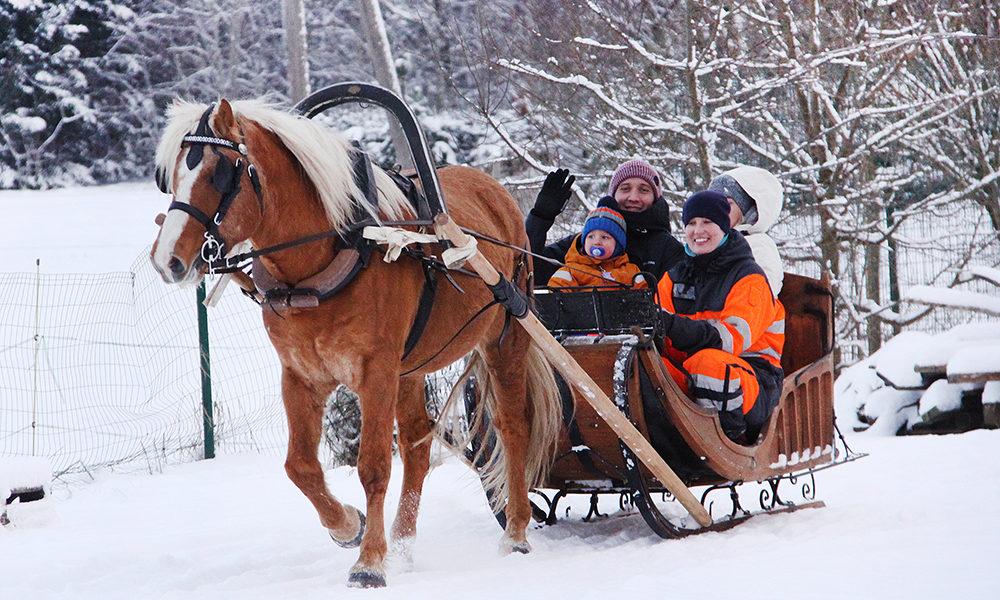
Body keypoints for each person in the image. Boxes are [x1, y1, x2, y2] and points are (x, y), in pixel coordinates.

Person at [656, 190, 785, 444]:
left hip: (752, 381)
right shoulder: (673, 278)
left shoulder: (749, 278)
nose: (698, 230)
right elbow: (662, 340)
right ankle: (664, 440)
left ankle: (729, 441)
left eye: (707, 222)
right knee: (639, 364)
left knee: (709, 365)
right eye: (691, 223)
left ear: (725, 227)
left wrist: (669, 324)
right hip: (690, 372)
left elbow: (728, 341)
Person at [526, 160, 684, 286]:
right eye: (625, 188)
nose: (633, 197)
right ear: (613, 195)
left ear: (655, 198)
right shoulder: (582, 245)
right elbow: (529, 271)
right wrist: (540, 218)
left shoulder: (667, 249)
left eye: (643, 190)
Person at [708, 165, 784, 294]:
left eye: (727, 203)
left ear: (747, 211)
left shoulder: (759, 245)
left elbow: (761, 294)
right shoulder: (712, 241)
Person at [547, 207, 647, 289]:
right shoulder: (572, 270)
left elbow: (643, 296)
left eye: (605, 237)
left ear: (618, 245)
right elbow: (557, 290)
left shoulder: (630, 271)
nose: (597, 242)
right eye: (591, 237)